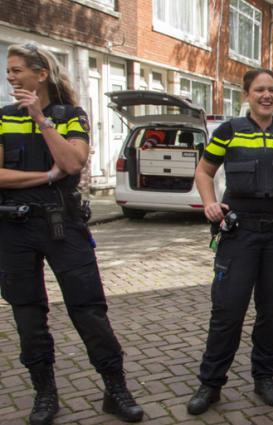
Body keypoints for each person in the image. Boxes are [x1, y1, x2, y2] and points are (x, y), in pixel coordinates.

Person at [0, 43, 144, 424]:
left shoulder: (70, 116)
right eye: (9, 70)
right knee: (28, 317)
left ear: (41, 74)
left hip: (62, 226)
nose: (10, 75)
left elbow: (72, 161)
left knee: (89, 310)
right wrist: (45, 176)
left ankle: (115, 389)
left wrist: (39, 119)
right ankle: (44, 395)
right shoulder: (1, 118)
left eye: (17, 70)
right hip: (14, 230)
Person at [186, 68, 273, 415]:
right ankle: (211, 384)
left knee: (271, 311)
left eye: (272, 90)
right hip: (239, 234)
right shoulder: (228, 131)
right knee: (227, 311)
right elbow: (204, 171)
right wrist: (210, 203)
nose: (267, 95)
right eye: (260, 90)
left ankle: (264, 377)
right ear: (247, 94)